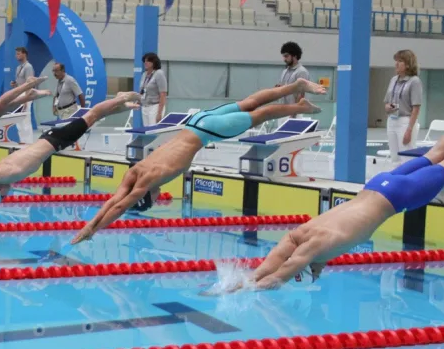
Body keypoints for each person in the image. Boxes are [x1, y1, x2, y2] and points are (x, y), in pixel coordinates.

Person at [220, 111, 444, 291]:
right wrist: (252, 276)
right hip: (379, 186)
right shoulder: (304, 233)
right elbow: (280, 260)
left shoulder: (311, 241)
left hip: (395, 195)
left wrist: (246, 289)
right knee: (435, 153)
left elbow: (280, 273)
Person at [70, 78, 326, 245]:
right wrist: (90, 226)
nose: (160, 197)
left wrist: (94, 230)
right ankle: (295, 88)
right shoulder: (137, 169)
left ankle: (300, 107)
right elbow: (114, 199)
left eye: (155, 199)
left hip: (208, 131)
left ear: (147, 196)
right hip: (196, 121)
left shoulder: (149, 179)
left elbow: (120, 206)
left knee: (262, 113)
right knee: (252, 102)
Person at [0, 92, 140, 214]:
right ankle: (123, 104)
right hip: (50, 139)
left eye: (2, 197)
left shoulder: (4, 175)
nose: (6, 196)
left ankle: (121, 98)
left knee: (92, 115)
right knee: (93, 118)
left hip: (56, 141)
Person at [384, 50, 423, 163]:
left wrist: (409, 130)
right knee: (394, 157)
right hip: (392, 120)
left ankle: (408, 180)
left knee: (406, 157)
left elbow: (416, 108)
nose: (396, 64)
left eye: (400, 61)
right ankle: (396, 180)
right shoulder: (393, 80)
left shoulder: (414, 81)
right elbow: (387, 101)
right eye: (396, 61)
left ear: (408, 64)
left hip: (405, 122)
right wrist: (387, 107)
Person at [10, 48, 35, 142]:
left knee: (25, 119)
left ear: (24, 54)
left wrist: (26, 99)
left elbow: (30, 84)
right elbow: (21, 84)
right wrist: (15, 85)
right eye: (16, 54)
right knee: (19, 120)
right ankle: (22, 140)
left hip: (25, 95)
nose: (17, 56)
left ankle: (28, 142)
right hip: (19, 94)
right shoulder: (18, 67)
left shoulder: (28, 67)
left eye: (18, 54)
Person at [277, 42, 310, 108]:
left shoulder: (302, 72)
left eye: (286, 56)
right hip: (283, 110)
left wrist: (293, 115)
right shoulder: (285, 71)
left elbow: (301, 96)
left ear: (294, 56)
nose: (284, 59)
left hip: (295, 112)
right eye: (283, 56)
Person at [139, 52, 167, 126]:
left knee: (154, 130)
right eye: (144, 61)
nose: (145, 63)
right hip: (145, 106)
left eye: (148, 61)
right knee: (147, 131)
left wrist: (159, 113)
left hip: (155, 106)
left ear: (153, 62)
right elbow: (142, 90)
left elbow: (163, 94)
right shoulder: (144, 74)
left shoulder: (159, 73)